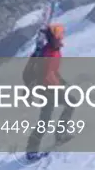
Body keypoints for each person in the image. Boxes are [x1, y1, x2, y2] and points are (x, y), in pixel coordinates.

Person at [25, 23, 75, 159]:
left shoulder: (54, 50)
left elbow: (52, 71)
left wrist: (61, 81)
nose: (62, 37)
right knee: (45, 119)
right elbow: (45, 74)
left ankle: (60, 135)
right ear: (53, 38)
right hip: (45, 90)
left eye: (61, 34)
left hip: (51, 87)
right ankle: (31, 151)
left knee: (71, 102)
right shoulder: (47, 53)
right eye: (59, 35)